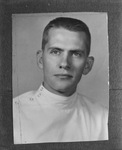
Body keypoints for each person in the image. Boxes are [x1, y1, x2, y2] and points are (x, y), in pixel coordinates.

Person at [13, 17, 108, 144]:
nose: (64, 63)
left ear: (87, 65)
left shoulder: (103, 119)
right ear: (41, 59)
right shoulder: (12, 113)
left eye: (76, 54)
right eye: (56, 52)